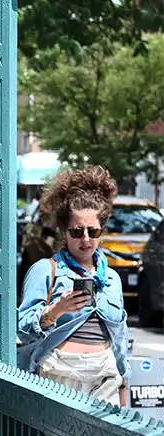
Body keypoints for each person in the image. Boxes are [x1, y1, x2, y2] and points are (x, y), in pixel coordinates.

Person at [17, 166, 130, 406]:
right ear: (64, 232)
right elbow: (23, 329)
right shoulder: (46, 271)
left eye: (93, 231)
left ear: (102, 231)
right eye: (77, 231)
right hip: (58, 374)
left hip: (104, 375)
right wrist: (55, 311)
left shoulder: (111, 278)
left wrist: (123, 382)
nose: (86, 239)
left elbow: (120, 336)